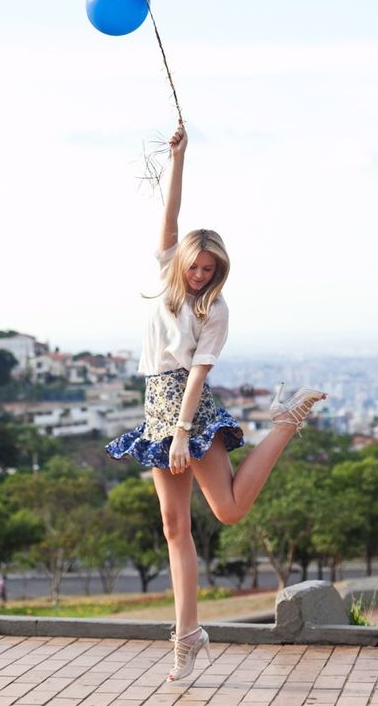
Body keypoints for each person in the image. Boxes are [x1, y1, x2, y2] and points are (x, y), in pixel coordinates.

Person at [106, 122, 327, 682]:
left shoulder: (217, 311)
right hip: (157, 408)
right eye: (196, 266)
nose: (201, 275)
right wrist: (179, 157)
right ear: (182, 262)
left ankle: (284, 421)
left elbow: (199, 375)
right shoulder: (165, 275)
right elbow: (172, 214)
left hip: (189, 410)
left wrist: (183, 432)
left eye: (210, 269)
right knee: (173, 527)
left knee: (227, 509)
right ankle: (187, 635)